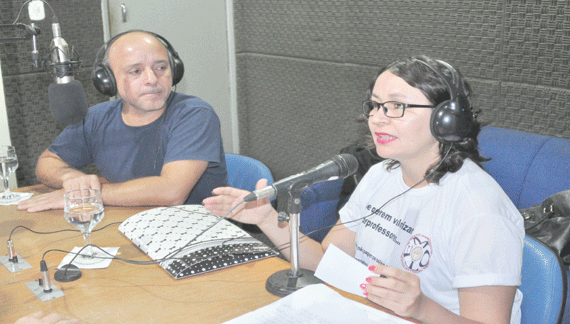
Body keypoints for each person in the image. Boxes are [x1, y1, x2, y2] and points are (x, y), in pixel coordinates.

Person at [203, 56, 524, 324]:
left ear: (447, 120)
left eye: (396, 106)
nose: (377, 119)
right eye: (375, 106)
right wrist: (267, 220)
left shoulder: (481, 212)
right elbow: (327, 261)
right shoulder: (381, 175)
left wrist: (422, 308)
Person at [18, 30, 227, 212]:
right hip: (128, 223)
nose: (152, 80)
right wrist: (71, 179)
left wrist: (87, 195)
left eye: (161, 68)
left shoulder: (194, 114)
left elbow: (171, 192)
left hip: (195, 233)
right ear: (107, 80)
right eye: (135, 71)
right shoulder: (96, 117)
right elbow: (47, 162)